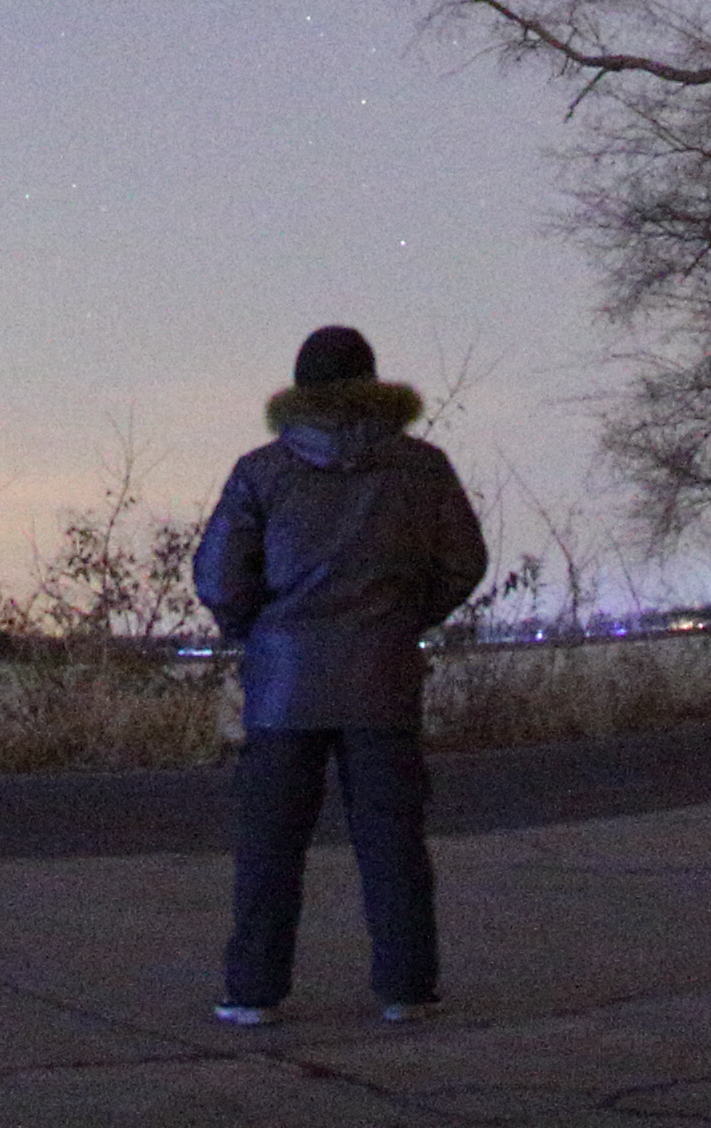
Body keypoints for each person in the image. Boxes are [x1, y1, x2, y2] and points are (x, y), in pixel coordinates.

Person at [192, 322, 490, 1028]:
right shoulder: (423, 467)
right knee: (392, 842)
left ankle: (253, 992)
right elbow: (463, 563)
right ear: (373, 383)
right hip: (382, 680)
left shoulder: (260, 472)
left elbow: (218, 576)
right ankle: (406, 987)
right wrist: (402, 617)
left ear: (298, 391)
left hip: (283, 688)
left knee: (270, 845)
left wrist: (258, 633)